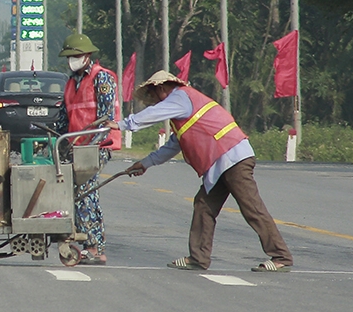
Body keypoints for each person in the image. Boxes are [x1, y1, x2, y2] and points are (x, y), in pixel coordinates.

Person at [105, 70, 293, 272]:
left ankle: (281, 256)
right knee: (204, 206)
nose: (153, 102)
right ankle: (198, 258)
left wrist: (121, 125)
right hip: (220, 163)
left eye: (152, 96)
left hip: (232, 157)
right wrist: (145, 163)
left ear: (161, 88)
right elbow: (172, 146)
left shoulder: (180, 97)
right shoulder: (183, 112)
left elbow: (153, 115)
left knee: (252, 208)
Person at [55, 33, 121, 265]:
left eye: (76, 55)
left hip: (97, 146)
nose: (72, 60)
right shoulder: (71, 82)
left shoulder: (101, 78)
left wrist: (91, 145)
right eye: (69, 56)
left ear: (87, 56)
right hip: (76, 146)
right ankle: (87, 242)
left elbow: (106, 118)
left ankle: (95, 248)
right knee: (76, 194)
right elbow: (64, 117)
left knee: (86, 194)